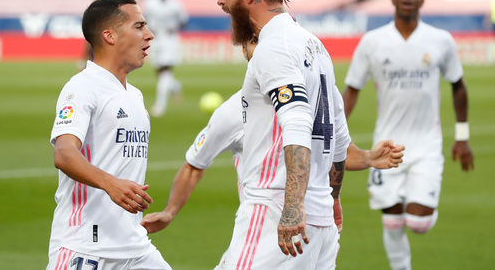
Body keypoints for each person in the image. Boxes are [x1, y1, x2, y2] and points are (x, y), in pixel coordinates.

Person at [141, 39, 404, 256]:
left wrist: (368, 157)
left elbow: (338, 150)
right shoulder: (241, 109)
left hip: (274, 229)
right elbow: (194, 166)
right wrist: (169, 211)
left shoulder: (250, 106)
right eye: (255, 43)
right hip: (313, 231)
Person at [205, 0, 357, 269]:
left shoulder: (274, 47)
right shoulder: (314, 45)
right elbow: (338, 138)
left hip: (275, 213)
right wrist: (332, 197)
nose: (220, 0)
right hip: (319, 220)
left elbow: (297, 123)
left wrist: (292, 206)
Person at [342, 0, 474, 270]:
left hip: (427, 144)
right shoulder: (372, 42)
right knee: (391, 220)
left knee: (417, 223)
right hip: (385, 146)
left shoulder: (441, 40)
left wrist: (462, 137)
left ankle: (421, 217)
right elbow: (351, 91)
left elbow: (458, 85)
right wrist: (332, 136)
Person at [47, 0, 171, 270]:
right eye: (139, 26)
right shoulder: (82, 88)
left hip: (135, 247)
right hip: (86, 249)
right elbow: (64, 153)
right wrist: (110, 183)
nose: (149, 35)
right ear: (109, 35)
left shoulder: (134, 95)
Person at [143, 0, 189, 117]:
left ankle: (159, 106)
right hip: (156, 38)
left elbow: (184, 20)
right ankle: (176, 86)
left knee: (165, 69)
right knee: (160, 72)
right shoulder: (150, 3)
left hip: (170, 39)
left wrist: (175, 28)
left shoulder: (175, 4)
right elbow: (144, 18)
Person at [79, 0, 108, 70]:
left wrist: (83, 57)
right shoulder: (111, 9)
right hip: (109, 43)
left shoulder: (93, 10)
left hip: (96, 43)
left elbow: (90, 32)